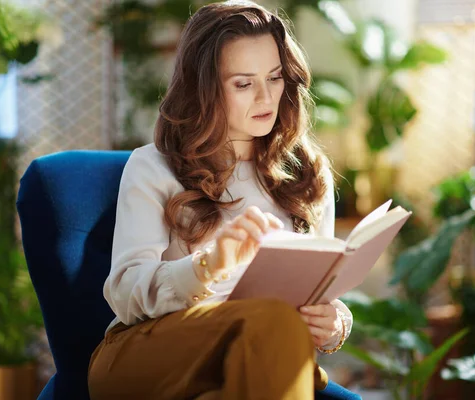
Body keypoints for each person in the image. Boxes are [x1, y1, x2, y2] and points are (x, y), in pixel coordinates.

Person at [87, 1, 354, 399]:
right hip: (143, 351)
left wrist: (336, 324)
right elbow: (126, 294)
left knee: (263, 347)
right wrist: (207, 266)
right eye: (243, 84)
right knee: (271, 322)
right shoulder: (153, 167)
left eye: (275, 77)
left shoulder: (307, 173)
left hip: (253, 353)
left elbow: (323, 293)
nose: (266, 96)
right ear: (204, 89)